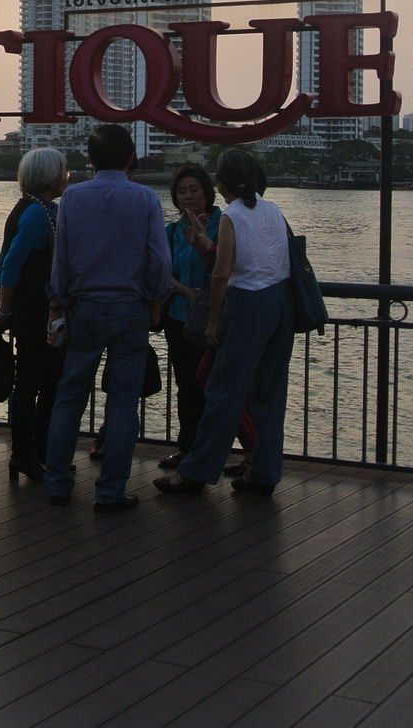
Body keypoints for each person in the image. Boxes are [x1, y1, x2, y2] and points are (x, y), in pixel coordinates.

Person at [42, 125, 171, 512]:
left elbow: (60, 258)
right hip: (131, 307)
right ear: (131, 158)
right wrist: (155, 300)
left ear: (91, 159)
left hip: (84, 307)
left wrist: (58, 303)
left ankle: (58, 482)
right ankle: (111, 489)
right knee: (122, 400)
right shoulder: (145, 198)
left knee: (69, 395)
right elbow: (160, 261)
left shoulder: (73, 199)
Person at [157, 149, 293, 497]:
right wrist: (203, 240)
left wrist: (214, 321)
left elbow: (221, 273)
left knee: (222, 392)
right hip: (279, 304)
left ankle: (195, 472)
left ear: (220, 183)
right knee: (269, 395)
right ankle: (264, 472)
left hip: (247, 306)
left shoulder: (233, 216)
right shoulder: (271, 210)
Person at [0, 147, 68, 482]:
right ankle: (27, 453)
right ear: (51, 178)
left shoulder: (37, 209)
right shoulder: (38, 214)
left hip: (33, 309)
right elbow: (11, 264)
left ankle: (33, 452)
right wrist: (5, 309)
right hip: (35, 311)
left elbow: (5, 260)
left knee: (37, 381)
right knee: (37, 382)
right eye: (64, 171)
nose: (68, 176)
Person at [159, 163, 223, 470]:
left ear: (207, 192)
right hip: (178, 319)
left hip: (212, 321)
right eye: (182, 191)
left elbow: (223, 270)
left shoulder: (222, 225)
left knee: (212, 388)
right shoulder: (172, 230)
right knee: (186, 385)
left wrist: (184, 289)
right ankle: (187, 449)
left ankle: (210, 452)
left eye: (194, 190)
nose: (188, 196)